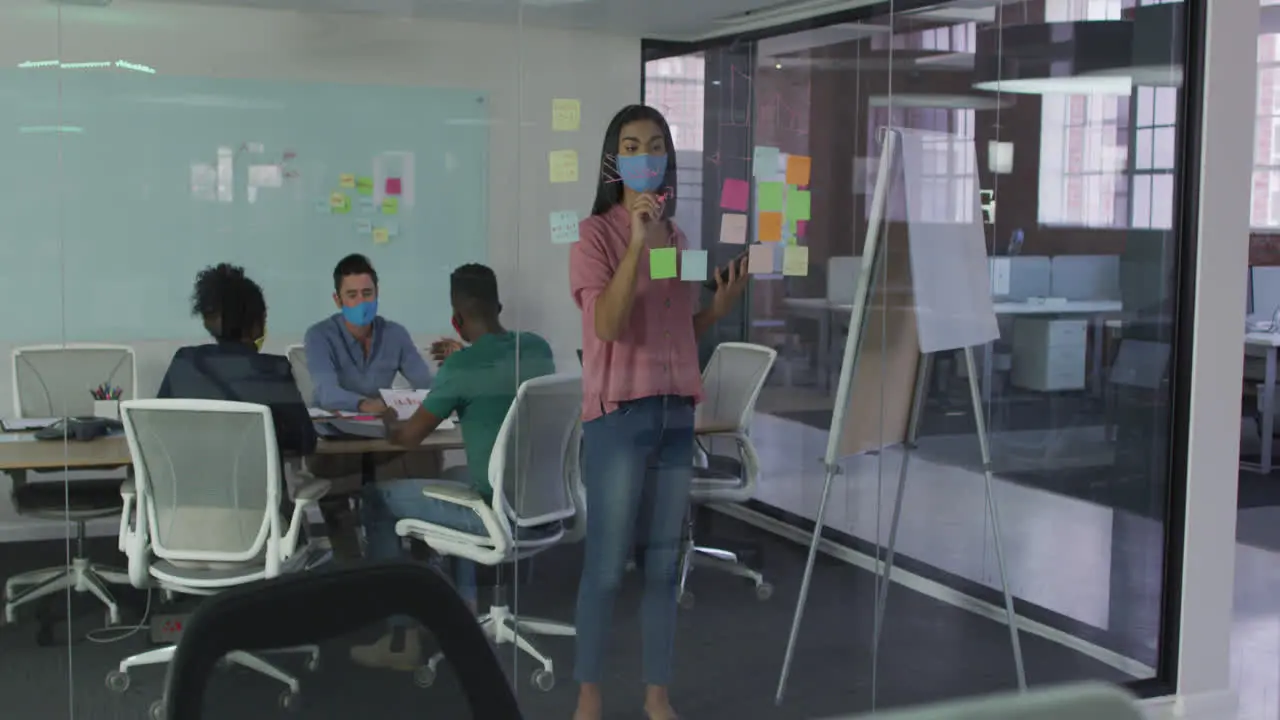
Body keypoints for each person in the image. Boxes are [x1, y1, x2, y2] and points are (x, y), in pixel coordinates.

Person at [568, 105, 749, 720]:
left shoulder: (679, 238)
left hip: (675, 415)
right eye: (632, 145)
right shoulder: (592, 237)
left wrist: (715, 313)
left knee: (664, 565)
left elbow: (671, 330)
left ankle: (656, 696)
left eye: (656, 144)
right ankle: (589, 696)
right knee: (607, 566)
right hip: (618, 419)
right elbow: (613, 324)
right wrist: (635, 242)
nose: (646, 155)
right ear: (614, 161)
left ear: (668, 157)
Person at [349, 263, 557, 671]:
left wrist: (390, 417)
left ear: (455, 320)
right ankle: (465, 605)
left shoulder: (461, 369)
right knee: (453, 479)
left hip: (494, 514)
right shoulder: (537, 348)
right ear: (499, 305)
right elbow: (495, 371)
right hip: (542, 506)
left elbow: (408, 438)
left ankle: (399, 639)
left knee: (375, 498)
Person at [157, 263, 317, 459]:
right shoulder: (274, 370)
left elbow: (158, 429)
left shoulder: (183, 362)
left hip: (186, 486)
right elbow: (306, 441)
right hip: (256, 488)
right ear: (257, 325)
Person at [303, 253, 434, 413]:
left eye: (367, 293)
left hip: (380, 426)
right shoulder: (318, 336)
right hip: (332, 427)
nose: (361, 302)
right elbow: (327, 393)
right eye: (352, 295)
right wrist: (369, 405)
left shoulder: (395, 334)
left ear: (377, 293)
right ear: (338, 300)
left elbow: (427, 385)